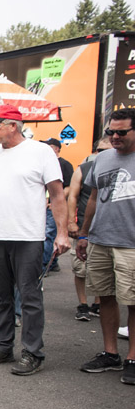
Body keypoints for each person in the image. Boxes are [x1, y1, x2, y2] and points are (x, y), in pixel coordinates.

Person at [0, 105, 69, 376]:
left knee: (29, 297)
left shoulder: (40, 151)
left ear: (13, 125)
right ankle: (3, 346)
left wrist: (63, 232)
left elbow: (57, 195)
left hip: (28, 236)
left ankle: (32, 353)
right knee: (0, 296)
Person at [75, 108, 135, 384]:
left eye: (121, 132)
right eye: (111, 131)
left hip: (130, 244)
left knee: (133, 302)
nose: (114, 137)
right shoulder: (103, 159)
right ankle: (111, 353)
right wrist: (84, 234)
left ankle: (133, 358)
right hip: (100, 239)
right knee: (105, 297)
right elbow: (93, 198)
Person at [68, 136, 111, 321]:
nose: (102, 154)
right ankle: (83, 304)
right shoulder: (84, 168)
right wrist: (71, 221)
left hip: (109, 229)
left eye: (106, 151)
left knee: (103, 271)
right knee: (80, 268)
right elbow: (72, 196)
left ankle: (98, 303)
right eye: (100, 150)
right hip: (84, 227)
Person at [43, 138, 74, 272]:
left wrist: (53, 202)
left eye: (49, 147)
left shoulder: (64, 164)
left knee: (49, 234)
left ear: (56, 149)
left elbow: (68, 187)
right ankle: (53, 261)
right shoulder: (44, 163)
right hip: (45, 205)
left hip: (54, 206)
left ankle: (44, 265)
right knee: (49, 235)